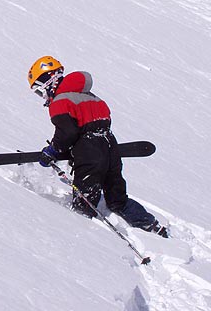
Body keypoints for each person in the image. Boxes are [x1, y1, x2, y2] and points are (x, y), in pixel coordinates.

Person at [27, 56, 168, 237]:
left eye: (40, 91)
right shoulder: (92, 97)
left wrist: (53, 150)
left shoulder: (60, 101)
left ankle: (91, 245)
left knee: (84, 204)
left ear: (49, 81)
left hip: (89, 154)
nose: (43, 96)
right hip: (111, 148)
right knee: (118, 199)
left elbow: (68, 132)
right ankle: (153, 227)